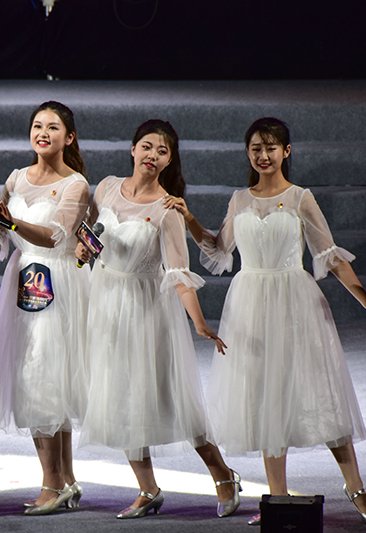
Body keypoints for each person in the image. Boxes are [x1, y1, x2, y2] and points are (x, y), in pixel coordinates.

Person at [165, 117, 366, 526]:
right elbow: (218, 249)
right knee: (264, 397)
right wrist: (189, 218)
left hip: (295, 302)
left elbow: (329, 255)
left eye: (271, 148)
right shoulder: (239, 199)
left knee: (319, 392)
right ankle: (276, 498)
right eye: (256, 148)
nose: (263, 155)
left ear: (286, 151)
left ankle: (356, 487)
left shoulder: (300, 198)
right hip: (250, 304)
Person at [76, 119, 242, 520]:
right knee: (118, 396)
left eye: (162, 151)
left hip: (145, 310)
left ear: (169, 160)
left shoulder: (168, 209)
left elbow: (179, 274)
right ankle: (148, 489)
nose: (152, 155)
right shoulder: (106, 187)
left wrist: (199, 322)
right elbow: (91, 232)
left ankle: (223, 475)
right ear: (133, 149)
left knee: (169, 395)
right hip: (104, 301)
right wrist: (83, 250)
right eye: (147, 146)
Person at [0, 101, 91, 515]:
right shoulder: (16, 177)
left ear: (69, 137)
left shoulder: (75, 185)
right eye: (37, 126)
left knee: (43, 378)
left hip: (55, 283)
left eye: (52, 127)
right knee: (37, 375)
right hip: (23, 280)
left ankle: (51, 484)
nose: (42, 133)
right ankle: (64, 479)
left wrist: (11, 223)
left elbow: (55, 235)